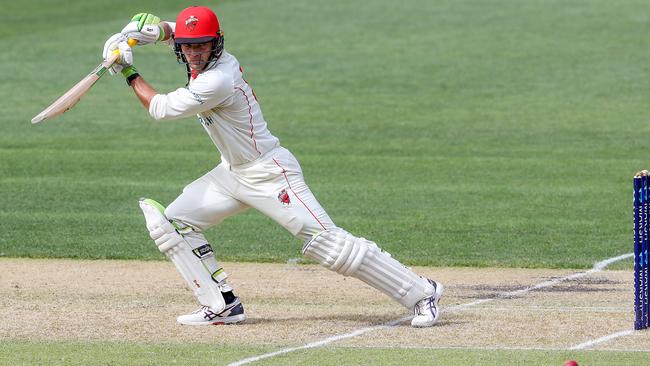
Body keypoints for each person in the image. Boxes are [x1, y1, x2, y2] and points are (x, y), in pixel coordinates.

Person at [102, 6, 443, 327]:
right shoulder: (196, 49)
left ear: (216, 44)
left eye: (202, 46)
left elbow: (160, 109)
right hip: (232, 173)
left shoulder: (218, 78)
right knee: (173, 223)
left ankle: (423, 292)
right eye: (188, 47)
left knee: (328, 245)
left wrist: (127, 70)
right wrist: (147, 32)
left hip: (270, 173)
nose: (194, 53)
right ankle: (222, 305)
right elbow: (178, 31)